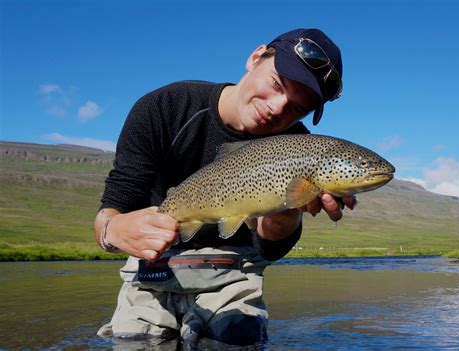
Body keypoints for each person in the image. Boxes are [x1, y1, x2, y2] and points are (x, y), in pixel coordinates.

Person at [95, 28, 356, 346]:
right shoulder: (164, 107)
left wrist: (286, 214)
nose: (277, 108)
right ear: (256, 57)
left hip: (235, 276)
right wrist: (113, 231)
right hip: (153, 273)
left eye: (297, 108)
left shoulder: (298, 146)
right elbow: (114, 207)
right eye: (277, 84)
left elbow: (269, 249)